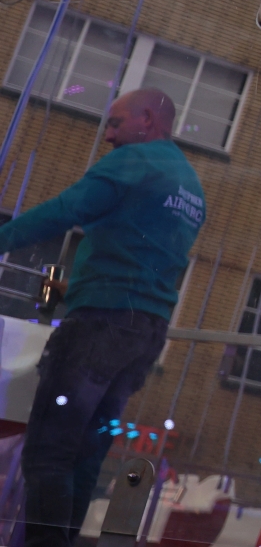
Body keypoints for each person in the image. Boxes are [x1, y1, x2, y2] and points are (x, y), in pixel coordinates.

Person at [0, 88, 205, 547]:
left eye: (115, 123)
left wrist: (3, 238)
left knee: (49, 452)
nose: (108, 135)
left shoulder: (134, 162)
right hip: (145, 333)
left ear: (147, 121)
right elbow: (143, 257)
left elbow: (64, 210)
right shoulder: (190, 185)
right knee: (86, 454)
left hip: (100, 327)